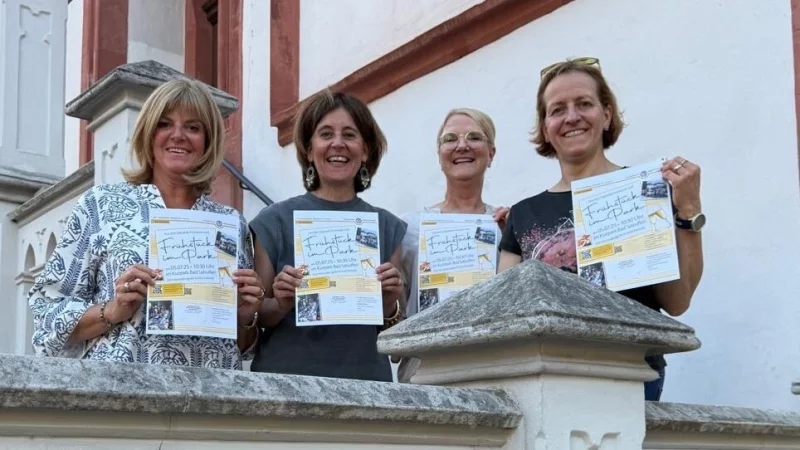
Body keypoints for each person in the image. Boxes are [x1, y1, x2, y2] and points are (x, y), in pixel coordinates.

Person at [498, 58, 704, 401]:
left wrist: (689, 211)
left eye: (584, 104)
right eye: (557, 109)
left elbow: (677, 301)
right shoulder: (522, 214)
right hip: (548, 376)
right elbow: (504, 312)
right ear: (546, 126)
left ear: (606, 115)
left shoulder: (644, 192)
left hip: (629, 371)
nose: (571, 117)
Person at [29, 79, 264, 369]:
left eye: (193, 127)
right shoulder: (101, 206)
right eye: (165, 124)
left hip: (211, 396)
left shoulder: (230, 224)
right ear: (148, 133)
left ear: (208, 141)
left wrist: (245, 316)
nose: (178, 136)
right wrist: (113, 310)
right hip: (121, 390)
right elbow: (47, 312)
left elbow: (239, 347)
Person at [249, 90, 407, 381]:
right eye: (325, 134)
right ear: (309, 149)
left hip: (366, 384)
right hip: (285, 382)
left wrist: (390, 299)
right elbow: (256, 317)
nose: (338, 144)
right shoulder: (273, 221)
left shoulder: (386, 226)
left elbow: (392, 331)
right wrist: (281, 302)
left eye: (350, 134)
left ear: (366, 150)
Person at [396, 108, 508, 382]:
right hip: (425, 370)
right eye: (450, 139)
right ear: (439, 155)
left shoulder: (506, 225)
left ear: (491, 153)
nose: (462, 145)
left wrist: (513, 241)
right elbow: (397, 311)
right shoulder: (410, 227)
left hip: (489, 366)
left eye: (474, 137)